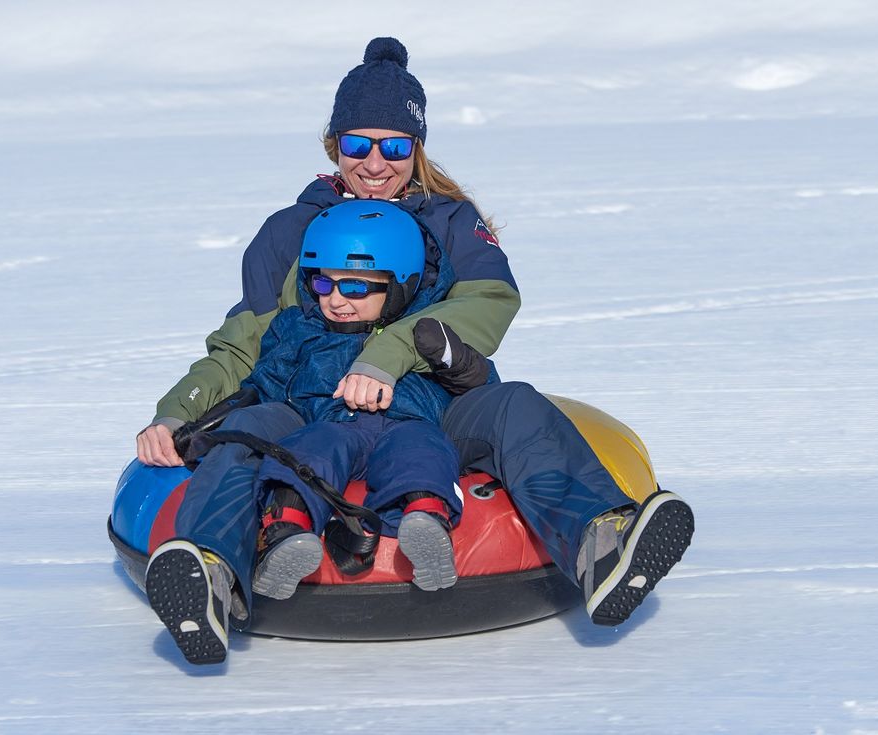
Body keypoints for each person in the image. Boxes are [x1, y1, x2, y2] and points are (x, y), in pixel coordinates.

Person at [136, 36, 694, 664]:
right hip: (309, 403)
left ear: (417, 148)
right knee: (245, 435)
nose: (375, 163)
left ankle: (601, 546)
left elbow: (487, 301)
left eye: (395, 147)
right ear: (334, 145)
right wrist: (178, 411)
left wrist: (392, 354)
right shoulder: (291, 230)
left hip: (431, 399)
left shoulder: (449, 221)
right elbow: (246, 339)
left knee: (514, 405)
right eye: (358, 145)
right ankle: (211, 576)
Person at [146, 199, 494, 664]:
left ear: (402, 284)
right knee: (294, 452)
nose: (335, 299)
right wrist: (206, 421)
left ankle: (426, 524)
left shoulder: (424, 337)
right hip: (323, 426)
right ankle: (245, 556)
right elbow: (261, 378)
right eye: (323, 283)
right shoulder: (300, 328)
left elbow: (473, 380)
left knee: (420, 452)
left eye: (355, 285)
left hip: (406, 428)